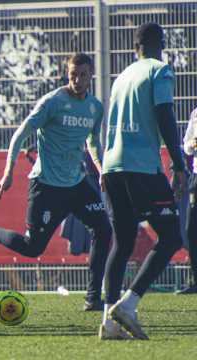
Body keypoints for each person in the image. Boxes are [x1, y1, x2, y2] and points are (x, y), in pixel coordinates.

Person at [0, 53, 112, 312]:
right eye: (73, 75)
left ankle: (93, 298)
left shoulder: (95, 107)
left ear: (91, 74)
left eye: (82, 75)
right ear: (66, 75)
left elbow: (92, 141)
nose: (78, 80)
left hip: (77, 185)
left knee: (103, 230)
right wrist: (8, 171)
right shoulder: (53, 102)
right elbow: (21, 133)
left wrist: (101, 169)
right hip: (46, 186)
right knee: (31, 248)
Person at [99, 22, 186, 341]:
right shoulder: (160, 71)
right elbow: (165, 115)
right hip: (140, 167)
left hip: (111, 166)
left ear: (135, 47)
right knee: (171, 237)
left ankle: (108, 324)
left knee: (121, 241)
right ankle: (128, 305)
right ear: (161, 44)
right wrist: (178, 164)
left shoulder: (122, 76)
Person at [178, 107, 197, 294]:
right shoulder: (195, 113)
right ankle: (195, 280)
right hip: (196, 177)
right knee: (191, 231)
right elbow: (186, 146)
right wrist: (192, 144)